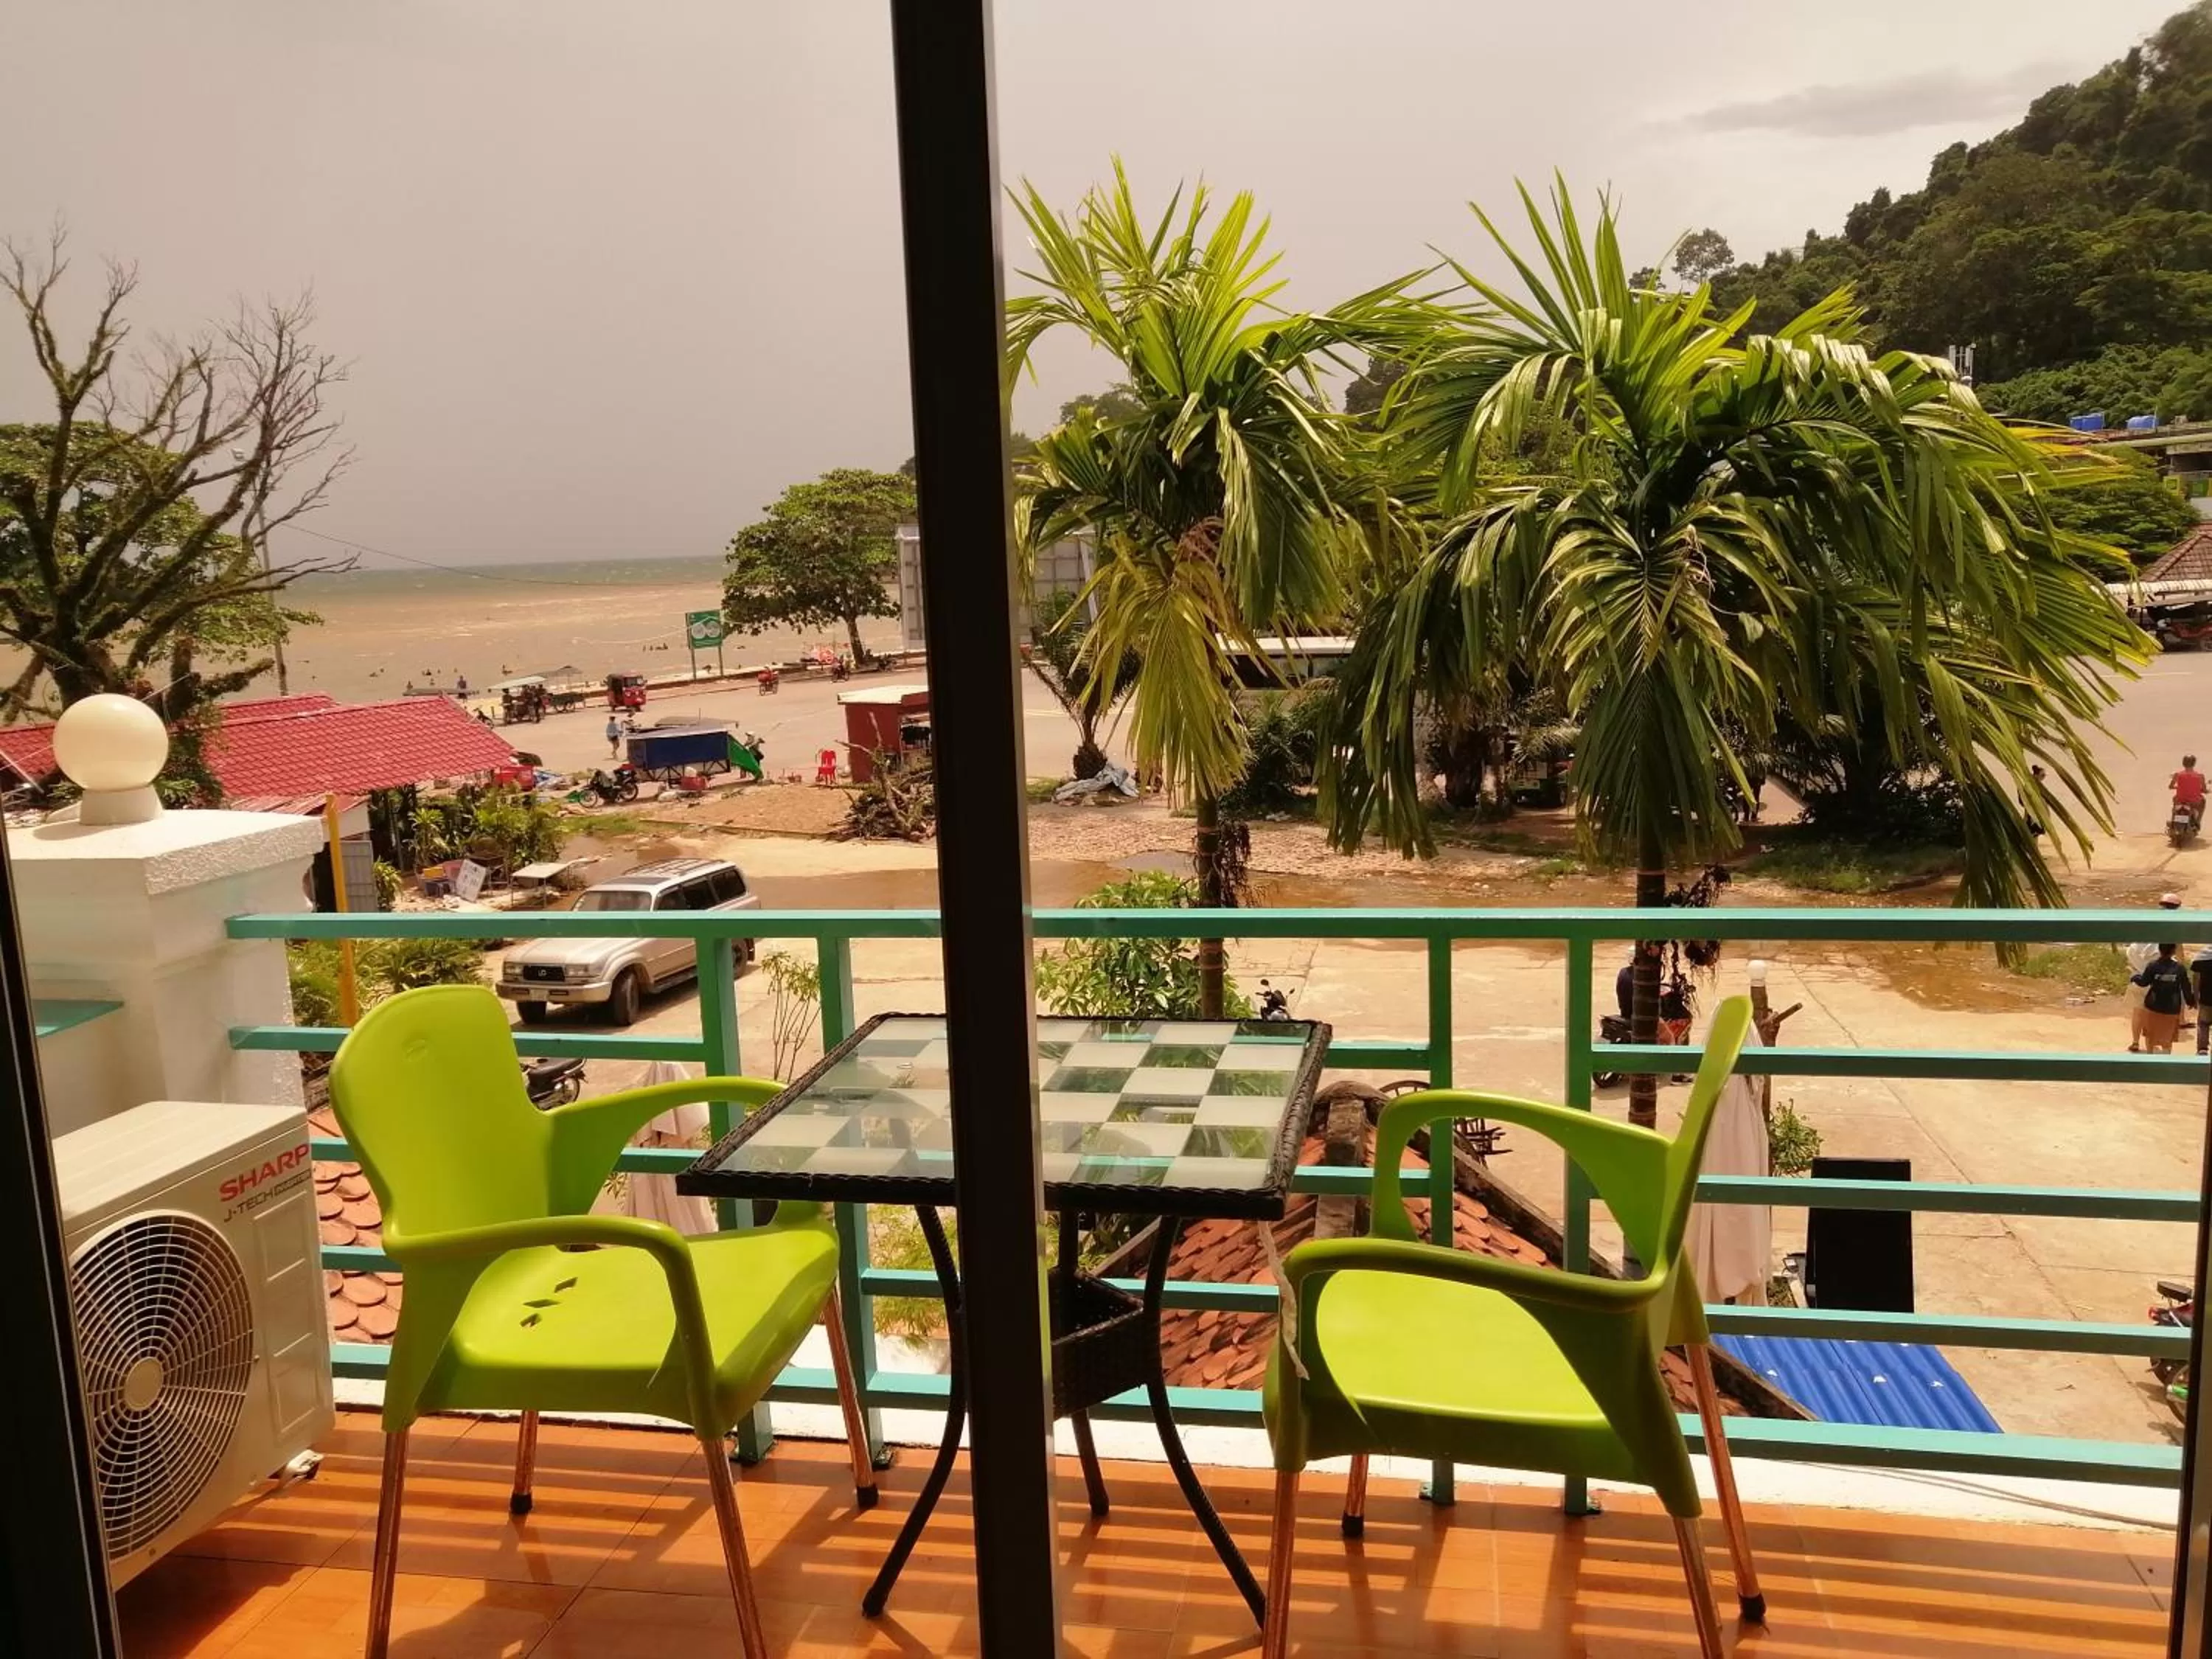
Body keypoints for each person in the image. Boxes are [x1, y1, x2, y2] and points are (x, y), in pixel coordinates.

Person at [2128, 894, 2186, 1051]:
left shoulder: (2148, 922)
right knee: (2158, 1015)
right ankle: (2162, 1046)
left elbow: (2131, 949)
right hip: (2158, 980)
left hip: (2138, 974)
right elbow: (2179, 956)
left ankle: (2135, 1042)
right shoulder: (2173, 927)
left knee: (2138, 1011)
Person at [2134, 942, 2198, 1054]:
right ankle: (2166, 1060)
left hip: (2152, 1006)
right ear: (2174, 951)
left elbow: (2144, 983)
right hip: (2171, 1008)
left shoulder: (2152, 965)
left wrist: (2135, 977)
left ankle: (2150, 1058)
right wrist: (2191, 1001)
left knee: (2150, 1036)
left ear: (2159, 949)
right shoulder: (2179, 968)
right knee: (2168, 1039)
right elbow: (2186, 987)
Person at [2174, 755, 2207, 830]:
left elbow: (2170, 786)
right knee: (2203, 801)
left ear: (2183, 763)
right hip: (2194, 802)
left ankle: (2174, 816)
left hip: (2180, 800)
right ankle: (2197, 822)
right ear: (2194, 764)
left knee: (2175, 800)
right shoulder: (2200, 776)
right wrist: (2205, 791)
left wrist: (2176, 787)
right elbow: (2204, 790)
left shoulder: (2177, 775)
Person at [2191, 941, 2212, 1056]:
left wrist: (2195, 997)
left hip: (2206, 998)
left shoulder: (2201, 957)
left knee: (2203, 1024)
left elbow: (2196, 979)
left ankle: (2202, 1050)